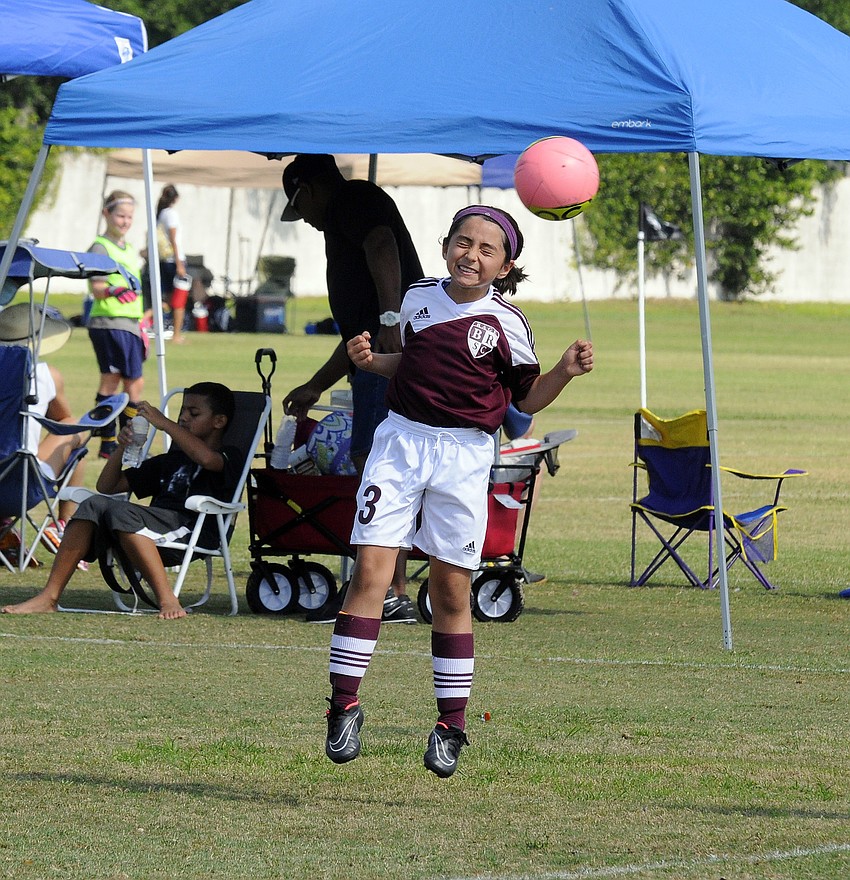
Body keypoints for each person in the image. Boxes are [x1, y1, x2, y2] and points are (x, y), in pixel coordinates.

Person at [323, 205, 593, 777]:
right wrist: (375, 362)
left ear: (505, 265)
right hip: (400, 443)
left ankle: (451, 724)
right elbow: (411, 363)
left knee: (451, 592)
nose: (470, 255)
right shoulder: (419, 298)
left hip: (465, 455)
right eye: (462, 243)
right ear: (446, 245)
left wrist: (564, 371)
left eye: (485, 249)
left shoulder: (509, 325)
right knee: (370, 573)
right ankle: (343, 706)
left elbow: (526, 401)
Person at [279, 154, 424, 624]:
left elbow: (382, 244)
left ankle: (387, 589)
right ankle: (385, 585)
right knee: (375, 460)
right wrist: (315, 386)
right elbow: (357, 336)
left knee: (382, 463)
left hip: (389, 357)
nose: (306, 222)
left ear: (310, 190)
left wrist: (390, 318)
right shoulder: (345, 212)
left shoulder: (350, 200)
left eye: (301, 209)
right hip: (375, 353)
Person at [2, 383, 243, 621]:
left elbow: (207, 459)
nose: (183, 418)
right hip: (150, 528)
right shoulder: (170, 460)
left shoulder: (230, 455)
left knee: (121, 513)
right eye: (181, 411)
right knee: (94, 503)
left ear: (218, 421)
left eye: (193, 413)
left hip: (191, 530)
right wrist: (121, 447)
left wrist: (164, 424)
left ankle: (168, 599)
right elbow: (108, 486)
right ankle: (49, 597)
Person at [0, 304, 89, 562]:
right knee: (76, 428)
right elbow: (63, 420)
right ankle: (63, 524)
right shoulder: (46, 374)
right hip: (18, 488)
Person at [87, 190, 145, 459]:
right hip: (109, 322)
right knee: (119, 381)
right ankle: (110, 442)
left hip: (130, 323)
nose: (125, 221)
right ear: (106, 214)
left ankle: (121, 442)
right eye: (120, 215)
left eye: (129, 217)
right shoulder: (100, 247)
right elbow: (97, 287)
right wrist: (114, 291)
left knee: (129, 383)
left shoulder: (130, 249)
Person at [154, 184, 189, 344]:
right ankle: (176, 334)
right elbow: (174, 239)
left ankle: (150, 321)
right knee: (179, 300)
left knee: (166, 299)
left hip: (164, 260)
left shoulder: (160, 214)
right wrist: (179, 263)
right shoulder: (171, 214)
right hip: (174, 260)